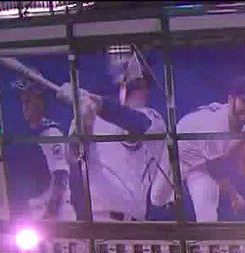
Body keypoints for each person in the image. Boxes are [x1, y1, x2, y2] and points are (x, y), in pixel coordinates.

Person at [60, 49, 166, 222]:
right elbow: (74, 155)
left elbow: (134, 122)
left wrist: (97, 103)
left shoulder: (152, 118)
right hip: (91, 219)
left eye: (142, 83)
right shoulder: (90, 113)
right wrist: (84, 120)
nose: (140, 89)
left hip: (127, 222)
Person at [151, 76, 245, 222]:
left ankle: (204, 236)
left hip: (202, 163)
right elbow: (215, 169)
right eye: (244, 102)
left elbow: (243, 153)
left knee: (207, 216)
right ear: (231, 100)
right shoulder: (216, 124)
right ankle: (176, 195)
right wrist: (233, 195)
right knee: (157, 198)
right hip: (179, 154)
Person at [5, 78, 74, 220]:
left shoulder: (50, 133)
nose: (25, 107)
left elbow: (60, 176)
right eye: (23, 102)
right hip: (36, 211)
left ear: (40, 102)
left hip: (57, 213)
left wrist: (51, 213)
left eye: (28, 101)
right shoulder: (28, 134)